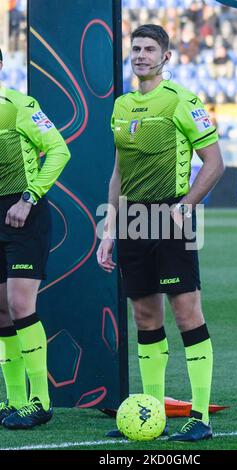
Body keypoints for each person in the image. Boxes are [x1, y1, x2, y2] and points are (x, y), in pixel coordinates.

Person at [97, 24, 224, 442]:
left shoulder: (182, 101)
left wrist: (184, 208)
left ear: (166, 56)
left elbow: (214, 164)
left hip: (171, 217)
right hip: (132, 220)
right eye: (135, 48)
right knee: (145, 317)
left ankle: (200, 416)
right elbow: (118, 173)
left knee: (187, 315)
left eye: (150, 49)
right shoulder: (120, 105)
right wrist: (109, 228)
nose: (140, 55)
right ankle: (153, 414)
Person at [0, 49, 70, 429]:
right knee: (0, 308)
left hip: (21, 213)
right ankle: (12, 401)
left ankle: (40, 400)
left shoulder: (19, 105)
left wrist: (29, 198)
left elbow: (59, 150)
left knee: (19, 304)